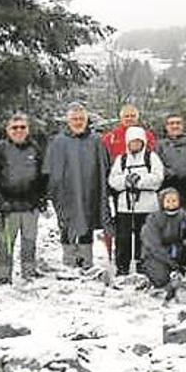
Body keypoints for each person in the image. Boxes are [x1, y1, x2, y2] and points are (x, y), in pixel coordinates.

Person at [44, 102, 112, 269]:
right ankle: (69, 261)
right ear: (68, 121)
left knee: (86, 223)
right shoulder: (58, 142)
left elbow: (104, 166)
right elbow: (49, 169)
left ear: (86, 120)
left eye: (81, 118)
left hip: (89, 190)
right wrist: (52, 190)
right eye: (74, 118)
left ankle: (85, 261)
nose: (78, 122)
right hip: (65, 192)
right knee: (66, 223)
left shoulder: (96, 140)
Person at [0, 113, 47, 284]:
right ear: (8, 130)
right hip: (8, 206)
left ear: (28, 129)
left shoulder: (35, 148)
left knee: (29, 241)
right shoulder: (0, 149)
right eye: (14, 127)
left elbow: (42, 176)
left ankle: (29, 272)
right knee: (6, 243)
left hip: (30, 206)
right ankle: (3, 276)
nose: (19, 131)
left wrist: (41, 198)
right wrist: (0, 200)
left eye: (22, 127)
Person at [107, 126, 165, 276]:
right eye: (132, 142)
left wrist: (139, 180)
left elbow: (158, 178)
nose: (135, 145)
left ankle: (143, 266)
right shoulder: (122, 159)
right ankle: (122, 267)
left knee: (144, 238)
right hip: (125, 206)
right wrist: (126, 181)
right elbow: (113, 180)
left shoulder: (151, 158)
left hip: (147, 205)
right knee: (123, 238)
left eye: (138, 142)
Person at [140, 187, 186, 291]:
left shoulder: (184, 215)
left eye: (174, 200)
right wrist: (170, 261)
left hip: (177, 249)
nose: (171, 203)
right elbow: (153, 246)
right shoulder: (153, 219)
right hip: (157, 255)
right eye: (168, 201)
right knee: (161, 281)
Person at [158, 113, 186, 209]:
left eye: (178, 123)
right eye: (171, 123)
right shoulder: (160, 145)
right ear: (166, 126)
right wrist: (171, 175)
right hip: (167, 189)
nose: (175, 126)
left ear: (182, 126)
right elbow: (157, 165)